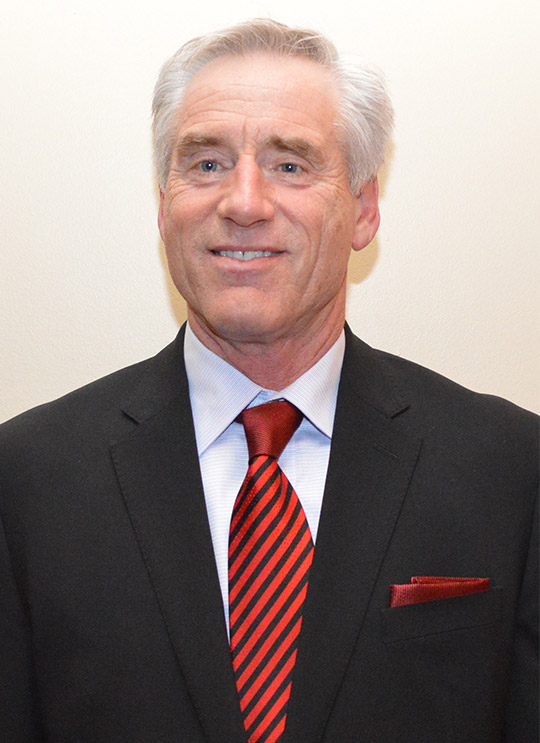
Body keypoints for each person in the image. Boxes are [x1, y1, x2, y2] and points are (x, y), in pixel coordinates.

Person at [0, 18, 537, 743]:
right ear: (163, 205)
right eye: (207, 163)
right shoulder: (25, 480)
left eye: (289, 165)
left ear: (364, 211)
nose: (244, 202)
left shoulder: (511, 470)